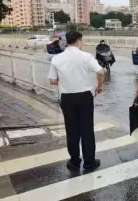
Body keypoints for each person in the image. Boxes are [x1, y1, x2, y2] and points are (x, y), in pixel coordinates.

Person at [48, 31, 105, 171]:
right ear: (79, 41)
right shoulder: (86, 56)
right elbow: (100, 72)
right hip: (85, 97)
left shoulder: (57, 59)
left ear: (67, 41)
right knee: (87, 130)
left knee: (71, 130)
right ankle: (89, 162)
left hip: (67, 98)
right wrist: (99, 87)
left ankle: (74, 162)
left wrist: (66, 80)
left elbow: (52, 80)